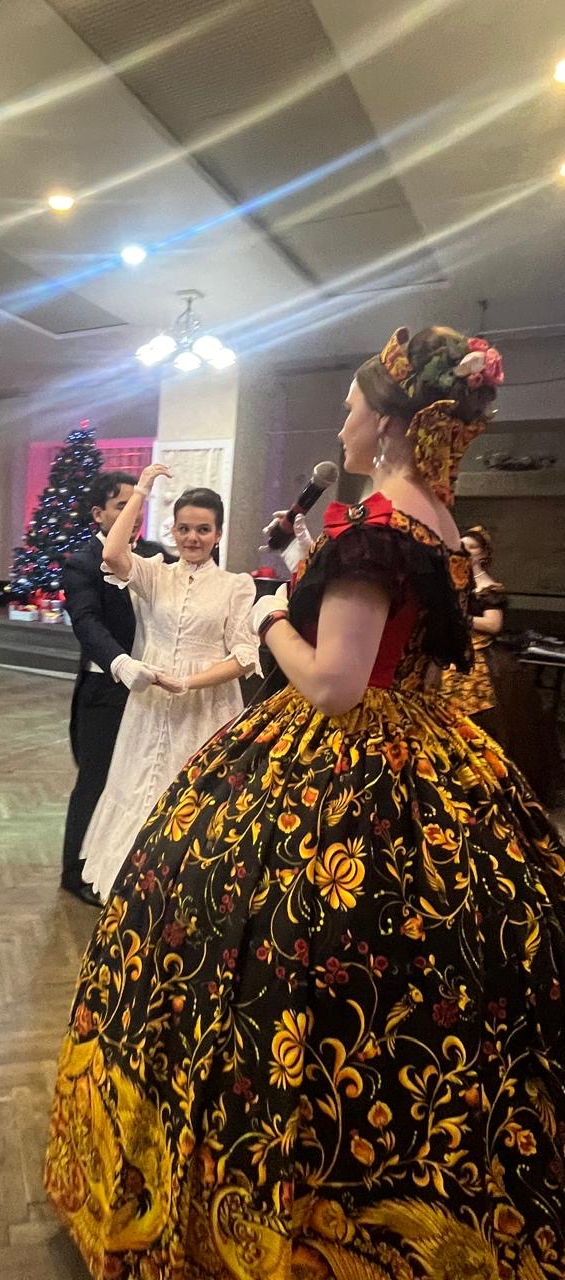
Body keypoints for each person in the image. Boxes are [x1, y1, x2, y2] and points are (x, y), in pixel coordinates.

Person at [44, 326, 565, 1277]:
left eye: (352, 407)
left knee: (265, 941)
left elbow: (333, 684)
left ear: (393, 422)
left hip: (341, 765)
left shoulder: (377, 530)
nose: (343, 423)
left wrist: (272, 614)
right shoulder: (439, 524)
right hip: (428, 749)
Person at [79, 472, 262, 901]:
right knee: (141, 787)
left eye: (203, 529)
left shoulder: (235, 586)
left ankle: (180, 896)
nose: (192, 537)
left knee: (192, 798)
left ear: (218, 534)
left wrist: (189, 681)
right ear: (173, 531)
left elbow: (244, 656)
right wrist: (142, 490)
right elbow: (112, 552)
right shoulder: (156, 574)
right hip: (150, 707)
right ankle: (133, 896)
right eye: (184, 528)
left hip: (205, 711)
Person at [60, 470, 170, 907]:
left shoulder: (156, 557)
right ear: (99, 514)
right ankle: (74, 871)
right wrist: (121, 664)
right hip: (105, 687)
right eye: (121, 505)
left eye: (136, 504)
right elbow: (87, 623)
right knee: (96, 779)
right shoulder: (83, 563)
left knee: (140, 777)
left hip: (154, 689)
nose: (132, 513)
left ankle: (121, 861)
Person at [441, 524, 564, 805]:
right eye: (462, 546)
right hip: (453, 652)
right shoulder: (454, 581)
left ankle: (495, 785)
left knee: (495, 720)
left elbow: (493, 625)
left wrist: (461, 618)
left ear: (483, 554)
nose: (465, 551)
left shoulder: (489, 587)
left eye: (471, 547)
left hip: (481, 657)